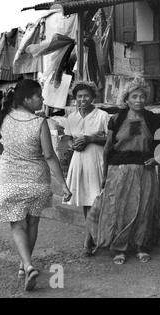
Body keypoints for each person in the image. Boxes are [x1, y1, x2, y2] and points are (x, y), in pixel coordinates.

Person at [0, 79, 72, 291]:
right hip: (36, 180)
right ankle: (25, 267)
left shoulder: (4, 118)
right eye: (38, 96)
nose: (42, 99)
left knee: (17, 225)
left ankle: (27, 265)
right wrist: (64, 184)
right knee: (32, 224)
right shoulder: (39, 122)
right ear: (26, 99)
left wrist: (10, 156)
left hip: (10, 179)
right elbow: (49, 156)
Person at [86, 74, 160, 265]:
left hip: (144, 169)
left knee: (143, 208)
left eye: (142, 96)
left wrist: (157, 158)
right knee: (119, 209)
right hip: (118, 169)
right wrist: (104, 175)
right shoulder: (117, 118)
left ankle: (139, 246)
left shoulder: (153, 119)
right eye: (134, 97)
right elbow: (108, 147)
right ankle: (119, 248)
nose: (139, 100)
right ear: (126, 99)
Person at [63, 81, 109, 256]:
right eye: (79, 96)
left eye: (86, 96)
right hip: (79, 159)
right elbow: (67, 138)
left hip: (96, 159)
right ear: (75, 98)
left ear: (93, 97)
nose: (82, 99)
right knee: (84, 198)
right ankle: (90, 235)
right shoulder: (72, 117)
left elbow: (111, 140)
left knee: (96, 198)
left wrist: (91, 139)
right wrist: (72, 145)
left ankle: (89, 239)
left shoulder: (102, 116)